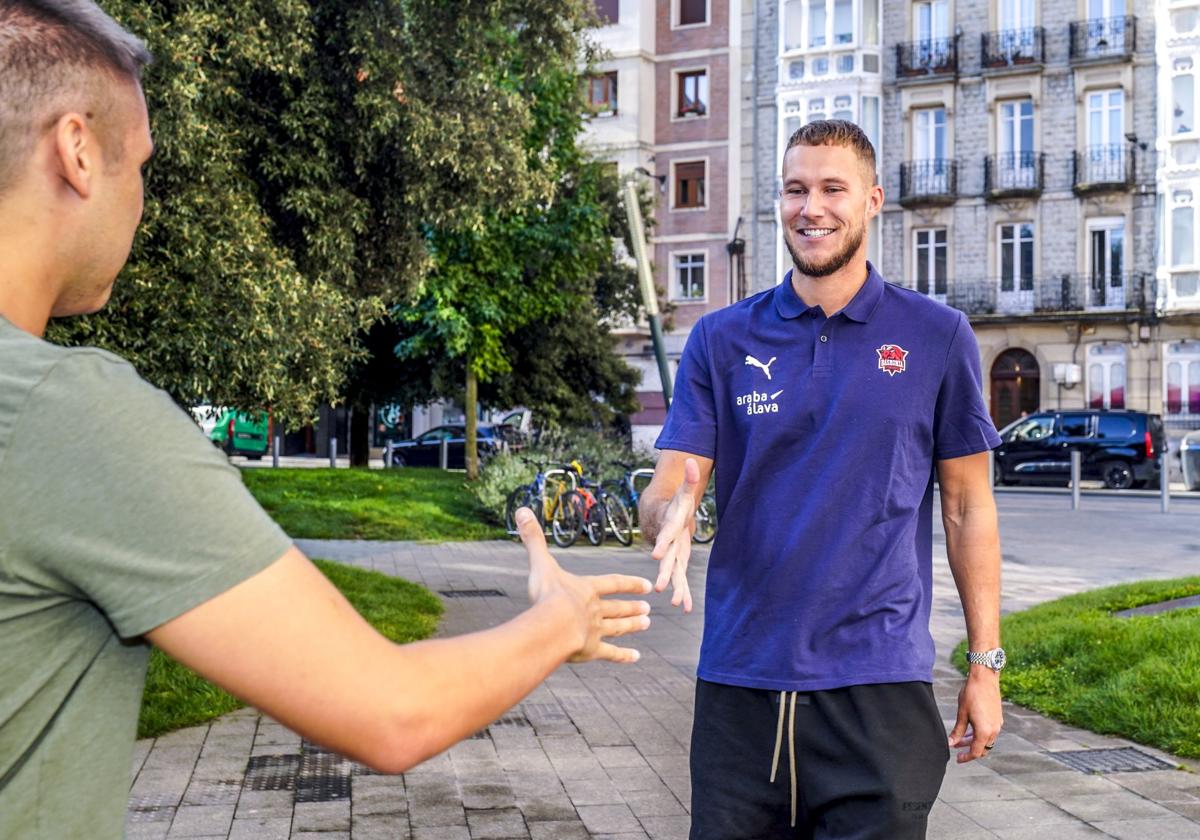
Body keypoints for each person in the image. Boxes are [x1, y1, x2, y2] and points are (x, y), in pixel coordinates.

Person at [0, 3, 652, 838]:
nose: (141, 203)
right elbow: (390, 710)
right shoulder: (64, 413)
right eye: (142, 167)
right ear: (79, 152)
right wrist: (561, 623)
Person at [639, 120, 1005, 840]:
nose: (812, 208)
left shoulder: (937, 335)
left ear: (872, 201)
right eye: (795, 189)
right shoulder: (721, 339)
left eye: (832, 189)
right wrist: (668, 514)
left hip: (881, 689)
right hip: (744, 683)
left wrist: (985, 665)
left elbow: (968, 509)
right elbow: (669, 488)